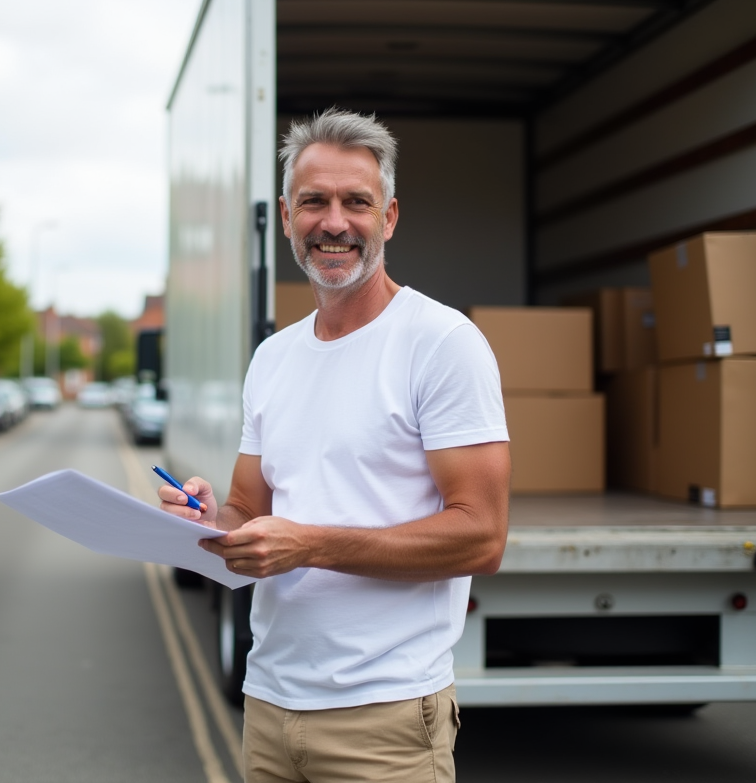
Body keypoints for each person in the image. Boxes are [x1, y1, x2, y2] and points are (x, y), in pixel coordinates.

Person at [158, 108, 511, 783]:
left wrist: (312, 544)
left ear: (390, 218)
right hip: (268, 705)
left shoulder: (441, 343)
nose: (335, 223)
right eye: (314, 202)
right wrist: (205, 519)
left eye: (357, 202)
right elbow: (245, 508)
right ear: (289, 215)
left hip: (385, 718)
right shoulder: (273, 357)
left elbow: (481, 537)